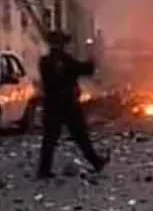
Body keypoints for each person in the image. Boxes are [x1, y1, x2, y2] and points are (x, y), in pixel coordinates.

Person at [37, 31, 108, 180]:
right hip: (67, 105)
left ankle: (44, 170)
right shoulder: (65, 60)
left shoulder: (45, 62)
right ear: (61, 45)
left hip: (52, 105)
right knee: (80, 135)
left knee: (50, 139)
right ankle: (96, 162)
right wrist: (94, 56)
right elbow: (86, 69)